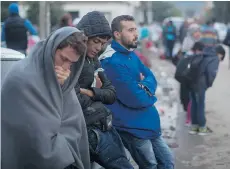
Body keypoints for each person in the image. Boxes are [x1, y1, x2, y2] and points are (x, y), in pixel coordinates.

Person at [1, 27, 91, 169]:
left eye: (71, 63)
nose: (66, 68)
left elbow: (72, 121)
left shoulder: (63, 78)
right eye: (63, 59)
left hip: (63, 155)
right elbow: (37, 138)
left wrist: (59, 86)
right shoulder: (21, 77)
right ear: (52, 49)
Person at [99, 15, 174, 169]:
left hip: (150, 123)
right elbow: (135, 98)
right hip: (132, 126)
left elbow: (150, 76)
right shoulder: (112, 61)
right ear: (117, 34)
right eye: (131, 30)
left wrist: (142, 85)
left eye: (136, 29)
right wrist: (146, 90)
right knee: (150, 165)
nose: (136, 34)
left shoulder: (130, 53)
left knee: (167, 162)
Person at [76, 11, 134, 169]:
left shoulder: (93, 60)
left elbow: (111, 94)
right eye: (96, 41)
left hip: (102, 124)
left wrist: (91, 92)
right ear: (83, 36)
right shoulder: (73, 60)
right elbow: (73, 100)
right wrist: (98, 97)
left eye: (102, 43)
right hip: (87, 130)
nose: (98, 47)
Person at [189, 45, 225, 135]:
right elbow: (211, 73)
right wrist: (208, 84)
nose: (220, 59)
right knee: (200, 105)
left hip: (191, 81)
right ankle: (202, 128)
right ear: (219, 54)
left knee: (194, 104)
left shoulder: (202, 54)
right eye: (221, 57)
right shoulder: (214, 58)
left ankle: (194, 127)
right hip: (201, 83)